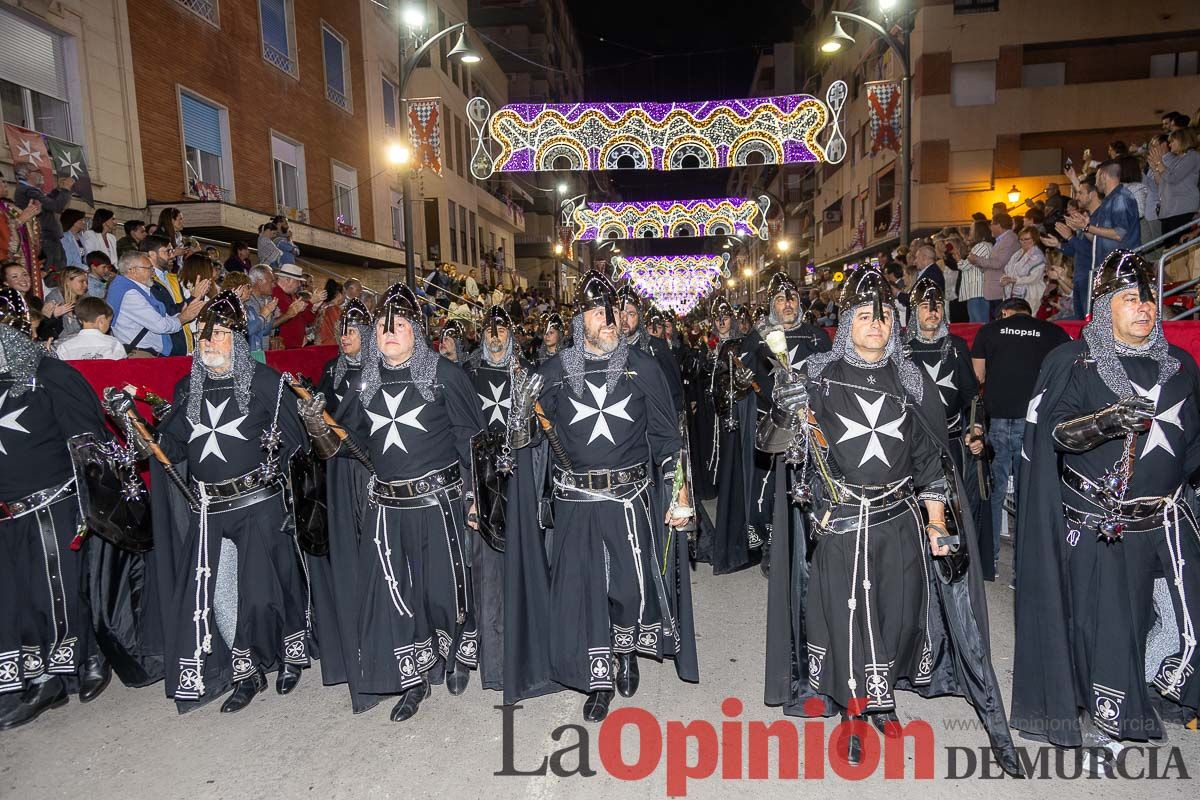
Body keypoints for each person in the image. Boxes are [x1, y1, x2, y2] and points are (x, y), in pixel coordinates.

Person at [759, 267, 1020, 772]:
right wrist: (784, 412)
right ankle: (855, 712)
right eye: (863, 315)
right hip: (842, 520)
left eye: (881, 317)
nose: (874, 324)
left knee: (896, 618)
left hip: (900, 520)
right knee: (848, 619)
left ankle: (884, 699)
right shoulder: (815, 376)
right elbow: (771, 446)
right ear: (846, 323)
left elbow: (929, 457)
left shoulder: (911, 378)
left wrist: (937, 522)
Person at [1012, 250, 1200, 751]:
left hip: (1167, 519)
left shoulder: (1179, 365)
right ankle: (1103, 711)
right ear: (1103, 307)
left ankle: (1160, 692)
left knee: (1179, 620)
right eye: (1131, 298)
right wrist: (1105, 421)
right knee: (1104, 627)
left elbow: (1193, 446)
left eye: (1149, 298)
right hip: (1101, 522)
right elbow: (1054, 433)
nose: (1145, 307)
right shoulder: (1074, 361)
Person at [500, 270, 696, 722]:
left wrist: (679, 487)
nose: (608, 320)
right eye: (596, 312)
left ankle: (626, 649)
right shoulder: (553, 371)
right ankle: (600, 677)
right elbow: (527, 440)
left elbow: (667, 437)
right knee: (586, 591)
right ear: (579, 320)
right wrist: (521, 413)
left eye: (612, 312)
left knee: (628, 587)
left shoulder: (642, 367)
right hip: (576, 501)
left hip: (629, 498)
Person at [298, 283, 485, 720]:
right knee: (398, 595)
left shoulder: (445, 375)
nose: (389, 332)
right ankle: (414, 678)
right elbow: (347, 443)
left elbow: (472, 442)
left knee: (444, 590)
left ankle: (456, 654)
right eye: (383, 326)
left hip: (438, 504)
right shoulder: (364, 381)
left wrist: (475, 496)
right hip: (386, 507)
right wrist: (319, 429)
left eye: (399, 324)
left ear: (416, 330)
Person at [150, 291, 311, 713]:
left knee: (266, 591)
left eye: (219, 333)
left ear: (236, 339)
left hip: (260, 503)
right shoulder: (187, 388)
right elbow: (175, 447)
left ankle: (290, 654)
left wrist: (287, 494)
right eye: (204, 335)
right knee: (221, 596)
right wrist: (145, 435)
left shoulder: (267, 383)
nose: (209, 342)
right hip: (211, 510)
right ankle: (246, 671)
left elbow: (296, 444)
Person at [0, 289, 148, 728]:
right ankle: (27, 673)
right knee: (14, 599)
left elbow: (89, 442)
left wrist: (95, 503)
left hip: (51, 506)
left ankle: (69, 668)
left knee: (57, 593)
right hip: (6, 512)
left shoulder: (50, 375)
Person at [970, 297, 1071, 574]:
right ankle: (1024, 571)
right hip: (1033, 423)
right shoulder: (1052, 331)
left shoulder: (989, 331)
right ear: (1029, 312)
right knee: (1028, 496)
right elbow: (1070, 369)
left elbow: (977, 377)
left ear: (1004, 312)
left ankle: (989, 564)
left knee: (993, 492)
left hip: (997, 420)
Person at [739, 272, 832, 569]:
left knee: (814, 486)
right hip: (774, 423)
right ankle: (772, 545)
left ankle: (815, 543)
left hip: (811, 423)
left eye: (791, 298)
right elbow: (740, 378)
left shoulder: (817, 336)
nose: (788, 303)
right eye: (780, 299)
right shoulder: (758, 336)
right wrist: (741, 379)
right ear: (772, 305)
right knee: (769, 489)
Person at [905, 277, 992, 578]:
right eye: (925, 306)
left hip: (952, 442)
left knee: (954, 510)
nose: (932, 312)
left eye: (937, 306)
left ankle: (951, 570)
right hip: (913, 445)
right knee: (916, 510)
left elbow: (971, 397)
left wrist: (975, 428)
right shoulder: (901, 350)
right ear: (914, 312)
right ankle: (917, 572)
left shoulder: (955, 347)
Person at [695, 294, 760, 574]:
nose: (722, 322)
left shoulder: (742, 346)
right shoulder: (709, 347)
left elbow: (750, 382)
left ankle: (744, 533)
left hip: (737, 418)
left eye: (725, 317)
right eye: (717, 318)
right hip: (716, 419)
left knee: (736, 473)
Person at [108, 251, 205, 356]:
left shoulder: (134, 289)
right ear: (133, 271)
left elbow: (162, 318)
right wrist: (184, 318)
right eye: (149, 268)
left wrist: (184, 313)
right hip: (140, 354)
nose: (153, 273)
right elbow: (160, 325)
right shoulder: (130, 294)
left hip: (146, 353)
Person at [14, 165, 73, 271]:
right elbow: (56, 206)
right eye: (38, 171)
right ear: (27, 174)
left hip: (48, 239)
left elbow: (48, 202)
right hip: (46, 240)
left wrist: (58, 190)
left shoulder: (30, 190)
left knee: (58, 271)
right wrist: (65, 190)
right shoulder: (28, 190)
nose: (42, 175)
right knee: (54, 274)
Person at [1149, 127, 1200, 247]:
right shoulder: (1176, 159)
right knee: (1169, 247)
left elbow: (1173, 178)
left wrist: (1159, 163)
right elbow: (1161, 182)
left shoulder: (1193, 156)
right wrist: (1154, 168)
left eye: (1172, 141)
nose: (1169, 144)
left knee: (1178, 247)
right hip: (1169, 209)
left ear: (1183, 140)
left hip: (1182, 208)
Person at [966, 212, 1019, 320]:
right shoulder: (1002, 240)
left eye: (991, 224)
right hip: (995, 289)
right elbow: (993, 263)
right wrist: (977, 262)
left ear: (998, 225)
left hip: (999, 288)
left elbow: (998, 263)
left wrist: (977, 259)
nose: (990, 228)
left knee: (999, 321)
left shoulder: (1009, 239)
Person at [54, 296, 125, 360]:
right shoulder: (114, 345)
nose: (109, 326)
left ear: (80, 320)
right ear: (101, 321)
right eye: (109, 322)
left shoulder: (65, 348)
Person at [272, 263, 324, 349]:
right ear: (288, 280)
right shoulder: (275, 293)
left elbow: (306, 319)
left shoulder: (292, 296)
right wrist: (311, 302)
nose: (299, 285)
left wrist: (314, 307)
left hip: (293, 346)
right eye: (297, 281)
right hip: (283, 347)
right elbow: (289, 314)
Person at [1000, 227, 1046, 303]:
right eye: (1021, 239)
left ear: (1034, 240)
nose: (1023, 242)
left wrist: (1015, 280)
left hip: (1029, 294)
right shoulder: (1017, 253)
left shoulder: (1038, 256)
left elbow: (1034, 278)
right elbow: (1007, 269)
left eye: (1027, 239)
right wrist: (1004, 279)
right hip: (1012, 292)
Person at [43, 266, 88, 337]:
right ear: (67, 281)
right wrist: (54, 316)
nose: (85, 285)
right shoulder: (54, 299)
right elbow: (47, 330)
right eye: (81, 281)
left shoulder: (85, 298)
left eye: (86, 282)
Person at [243, 265, 278, 353]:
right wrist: (263, 316)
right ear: (259, 281)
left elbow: (265, 331)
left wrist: (269, 316)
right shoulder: (247, 301)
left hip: (261, 351)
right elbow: (249, 331)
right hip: (249, 353)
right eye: (271, 281)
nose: (274, 285)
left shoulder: (266, 299)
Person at [317, 279, 344, 346]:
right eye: (343, 293)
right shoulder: (336, 310)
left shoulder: (320, 307)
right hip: (331, 346)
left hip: (318, 345)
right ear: (338, 294)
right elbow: (341, 331)